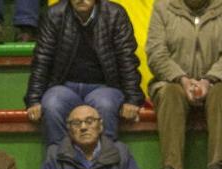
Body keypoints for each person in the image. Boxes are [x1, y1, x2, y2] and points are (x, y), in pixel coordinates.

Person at [144, 0, 222, 169]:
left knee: (221, 93)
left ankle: (221, 166)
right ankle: (171, 166)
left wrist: (210, 79)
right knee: (169, 92)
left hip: (221, 80)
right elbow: (156, 52)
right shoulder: (162, 7)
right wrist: (182, 79)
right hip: (174, 80)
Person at [23, 0, 143, 147]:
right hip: (64, 87)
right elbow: (42, 58)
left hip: (105, 87)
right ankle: (61, 165)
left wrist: (132, 99)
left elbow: (127, 58)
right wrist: (34, 99)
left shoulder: (115, 14)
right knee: (52, 103)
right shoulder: (53, 15)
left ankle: (104, 165)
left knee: (105, 104)